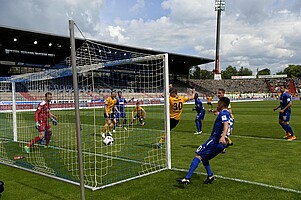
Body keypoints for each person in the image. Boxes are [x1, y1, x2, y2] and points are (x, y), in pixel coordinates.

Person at [177, 97, 231, 185]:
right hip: (221, 143)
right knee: (204, 157)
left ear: (222, 104)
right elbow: (229, 127)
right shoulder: (227, 113)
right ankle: (210, 176)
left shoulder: (224, 113)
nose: (217, 103)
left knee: (199, 155)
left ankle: (187, 178)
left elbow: (225, 124)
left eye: (218, 102)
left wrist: (222, 136)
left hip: (215, 140)